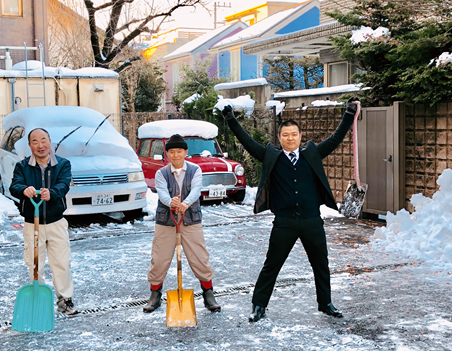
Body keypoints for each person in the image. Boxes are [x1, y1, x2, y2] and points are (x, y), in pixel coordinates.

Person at [221, 100, 359, 322]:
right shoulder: (271, 156)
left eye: (294, 134)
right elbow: (247, 142)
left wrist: (348, 115)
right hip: (284, 222)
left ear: (300, 136)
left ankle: (325, 303)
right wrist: (231, 120)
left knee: (321, 264)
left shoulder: (312, 154)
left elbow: (335, 139)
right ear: (279, 138)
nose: (290, 138)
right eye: (286, 135)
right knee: (272, 264)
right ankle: (258, 305)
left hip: (312, 220)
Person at [143, 134, 221, 313]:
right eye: (172, 151)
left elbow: (196, 190)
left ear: (186, 152)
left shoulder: (195, 170)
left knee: (199, 257)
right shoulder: (161, 173)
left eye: (179, 151)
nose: (176, 155)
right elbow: (161, 192)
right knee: (159, 258)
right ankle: (155, 294)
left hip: (190, 219)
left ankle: (208, 293)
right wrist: (171, 202)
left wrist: (185, 203)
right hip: (166, 220)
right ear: (167, 154)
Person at [10, 128, 77, 315]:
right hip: (33, 223)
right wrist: (24, 189)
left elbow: (64, 184)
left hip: (56, 221)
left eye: (43, 140)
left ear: (50, 141)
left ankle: (65, 299)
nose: (40, 145)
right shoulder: (22, 166)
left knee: (61, 262)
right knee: (34, 262)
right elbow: (14, 186)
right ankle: (38, 297)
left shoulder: (63, 164)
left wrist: (52, 193)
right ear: (30, 145)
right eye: (35, 142)